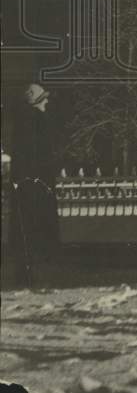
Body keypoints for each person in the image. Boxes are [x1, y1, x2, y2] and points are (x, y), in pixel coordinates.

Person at [8, 83, 61, 286]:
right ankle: (31, 275)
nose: (47, 101)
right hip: (34, 187)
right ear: (36, 101)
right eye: (44, 98)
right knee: (33, 230)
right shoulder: (35, 121)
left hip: (28, 186)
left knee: (26, 231)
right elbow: (36, 157)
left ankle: (28, 273)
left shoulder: (25, 120)